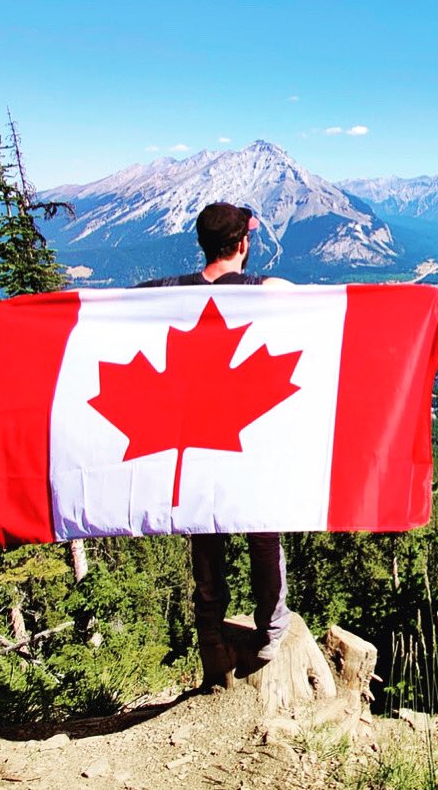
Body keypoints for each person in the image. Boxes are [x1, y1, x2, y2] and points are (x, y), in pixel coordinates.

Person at [136, 202, 292, 686]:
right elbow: (304, 301)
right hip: (246, 438)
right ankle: (271, 630)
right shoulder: (262, 291)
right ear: (243, 244)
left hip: (192, 438)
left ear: (202, 244)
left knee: (204, 532)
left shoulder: (164, 292)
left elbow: (118, 309)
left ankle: (210, 627)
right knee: (264, 535)